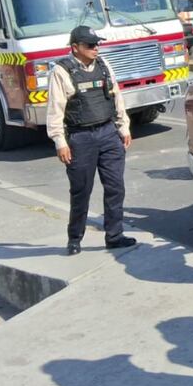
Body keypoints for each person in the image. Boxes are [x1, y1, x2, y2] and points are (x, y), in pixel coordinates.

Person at [46, 25, 135, 255]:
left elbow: (116, 98)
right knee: (81, 191)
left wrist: (123, 128)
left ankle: (114, 236)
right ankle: (75, 238)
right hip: (80, 138)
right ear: (75, 48)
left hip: (108, 134)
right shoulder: (61, 71)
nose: (96, 48)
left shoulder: (104, 66)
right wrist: (60, 142)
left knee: (116, 187)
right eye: (90, 45)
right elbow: (55, 109)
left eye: (97, 44)